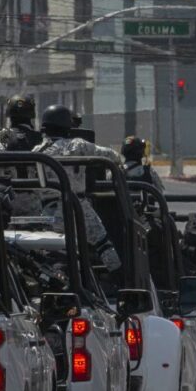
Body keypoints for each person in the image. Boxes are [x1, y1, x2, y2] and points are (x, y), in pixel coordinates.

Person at [34, 104, 123, 272]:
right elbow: (112, 157)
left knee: (47, 250)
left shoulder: (37, 151)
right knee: (103, 243)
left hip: (48, 210)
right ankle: (118, 278)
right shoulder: (78, 145)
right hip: (77, 207)